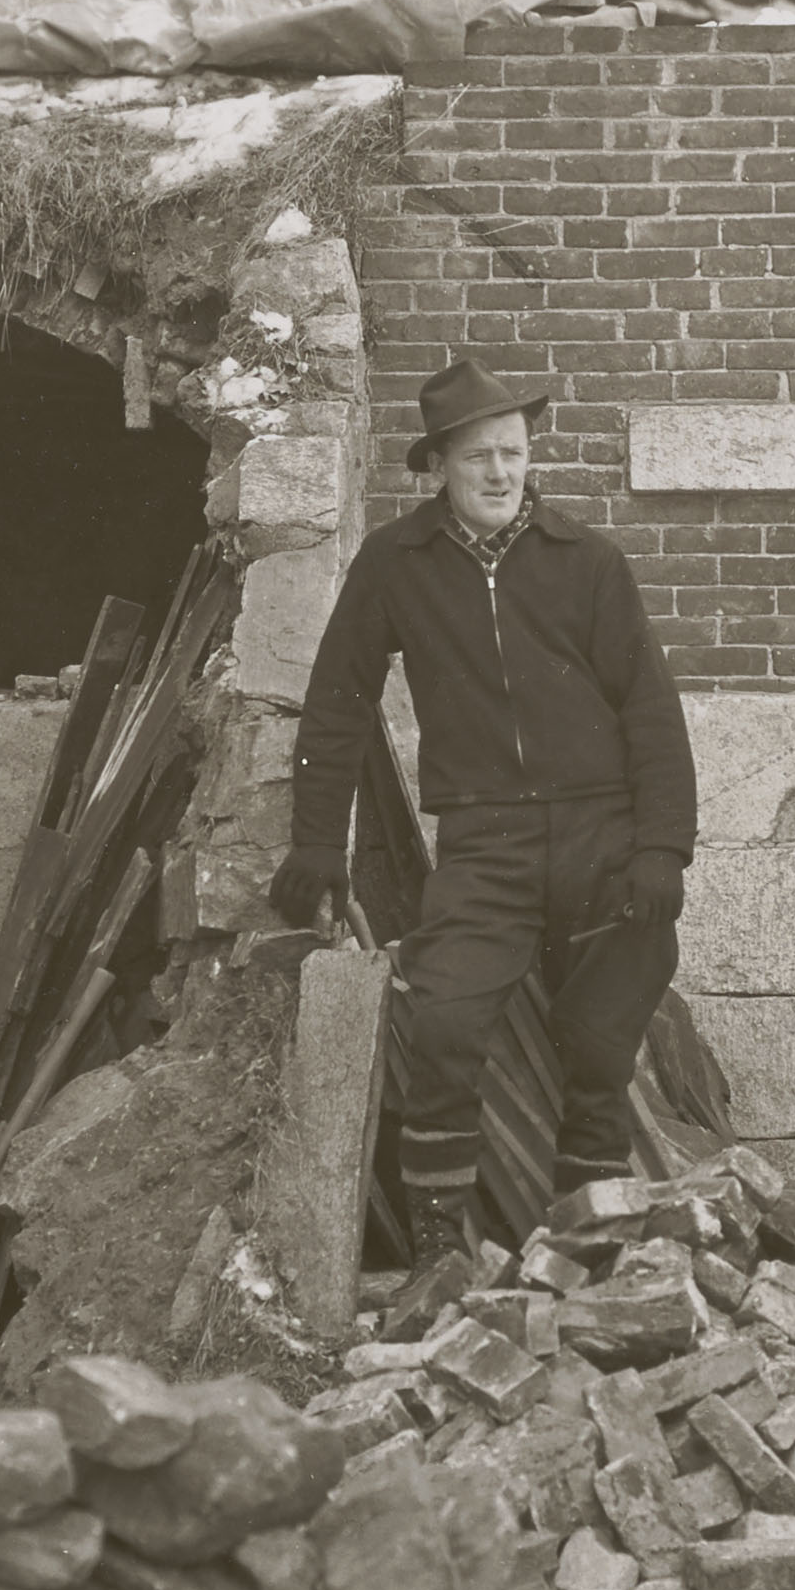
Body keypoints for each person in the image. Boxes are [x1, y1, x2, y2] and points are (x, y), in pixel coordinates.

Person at [273, 361, 698, 1270]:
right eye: (479, 460)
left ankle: (584, 1246)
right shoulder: (396, 563)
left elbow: (651, 710)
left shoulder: (588, 562)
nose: (501, 475)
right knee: (447, 1020)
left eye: (512, 454)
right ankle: (440, 1250)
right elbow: (339, 698)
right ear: (441, 468)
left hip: (601, 832)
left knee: (596, 1041)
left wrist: (662, 846)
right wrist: (318, 841)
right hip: (484, 839)